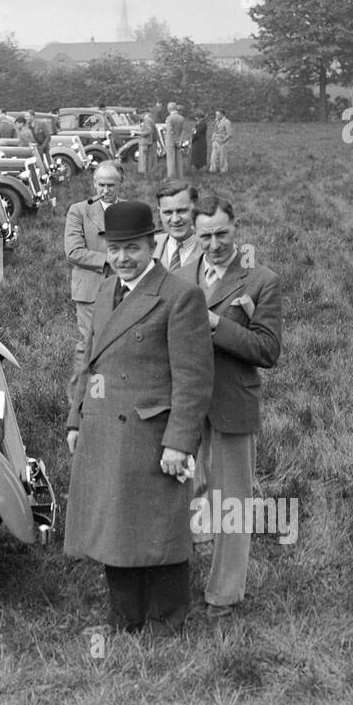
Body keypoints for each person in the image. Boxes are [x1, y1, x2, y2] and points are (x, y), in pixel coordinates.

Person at [65, 200, 214, 636]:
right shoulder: (107, 289)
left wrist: (179, 442)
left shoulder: (181, 295)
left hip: (151, 435)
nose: (123, 257)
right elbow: (88, 360)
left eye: (132, 247)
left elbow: (194, 379)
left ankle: (166, 620)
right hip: (103, 427)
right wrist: (76, 418)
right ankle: (124, 617)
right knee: (115, 527)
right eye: (115, 248)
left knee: (158, 527)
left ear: (153, 244)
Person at [185, 195, 282, 618]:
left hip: (230, 404)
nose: (215, 244)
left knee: (232, 503)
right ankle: (174, 578)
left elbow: (268, 349)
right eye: (205, 235)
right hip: (183, 406)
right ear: (195, 234)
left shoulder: (262, 281)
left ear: (236, 228)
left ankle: (224, 593)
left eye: (222, 233)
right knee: (182, 493)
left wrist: (217, 326)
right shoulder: (179, 276)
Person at [65, 162, 122, 363]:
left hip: (122, 288)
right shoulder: (79, 210)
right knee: (91, 344)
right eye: (101, 185)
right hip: (90, 289)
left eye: (111, 186)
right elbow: (73, 252)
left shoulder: (128, 210)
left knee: (120, 342)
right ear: (94, 184)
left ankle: (115, 389)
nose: (105, 190)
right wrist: (109, 260)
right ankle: (89, 391)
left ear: (120, 184)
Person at [154, 180, 203, 271]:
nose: (175, 219)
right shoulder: (150, 247)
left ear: (197, 208)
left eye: (182, 211)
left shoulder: (213, 249)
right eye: (168, 212)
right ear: (159, 211)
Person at [164, 103, 187, 179]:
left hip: (170, 140)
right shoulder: (181, 118)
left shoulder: (169, 118)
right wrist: (179, 140)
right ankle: (180, 175)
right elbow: (183, 130)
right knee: (179, 159)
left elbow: (170, 131)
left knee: (170, 159)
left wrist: (173, 140)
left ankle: (171, 176)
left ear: (170, 109)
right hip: (179, 140)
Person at [137, 105, 159, 177]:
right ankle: (148, 173)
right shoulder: (151, 119)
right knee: (148, 159)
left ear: (142, 113)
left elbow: (148, 131)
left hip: (145, 141)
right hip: (149, 141)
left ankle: (143, 174)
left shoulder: (147, 120)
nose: (139, 117)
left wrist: (139, 133)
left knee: (143, 159)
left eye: (139, 115)